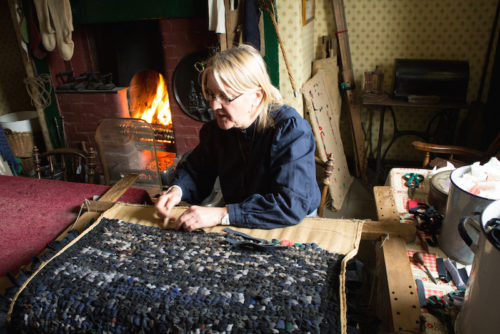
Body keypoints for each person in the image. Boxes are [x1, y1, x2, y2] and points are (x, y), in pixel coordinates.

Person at [155, 44, 320, 231]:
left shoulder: (290, 130)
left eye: (225, 96)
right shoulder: (218, 130)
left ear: (257, 96)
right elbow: (197, 170)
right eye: (210, 94)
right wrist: (177, 191)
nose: (214, 105)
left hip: (292, 222)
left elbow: (290, 205)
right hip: (239, 217)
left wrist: (221, 214)